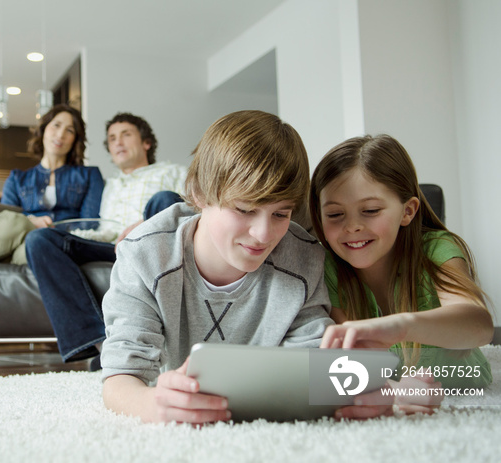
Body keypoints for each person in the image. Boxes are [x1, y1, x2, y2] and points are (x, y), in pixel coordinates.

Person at [101, 110, 333, 424]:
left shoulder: (304, 257)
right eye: (245, 209)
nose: (264, 235)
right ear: (198, 193)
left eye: (281, 214)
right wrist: (148, 402)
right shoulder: (145, 254)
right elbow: (120, 379)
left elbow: (316, 363)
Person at [309, 134, 494, 418]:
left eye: (370, 211)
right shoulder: (327, 267)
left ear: (407, 211)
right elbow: (347, 359)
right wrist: (394, 391)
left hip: (464, 389)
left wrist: (401, 326)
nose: (353, 227)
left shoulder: (437, 248)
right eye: (335, 214)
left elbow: (479, 326)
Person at [25, 112, 187, 363]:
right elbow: (102, 227)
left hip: (152, 241)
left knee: (164, 199)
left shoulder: (172, 171)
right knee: (40, 240)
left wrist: (146, 224)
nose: (118, 142)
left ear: (146, 143)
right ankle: (101, 345)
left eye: (126, 135)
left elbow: (194, 209)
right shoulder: (109, 185)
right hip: (114, 246)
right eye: (112, 139)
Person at [0, 104, 104, 264]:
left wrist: (51, 231)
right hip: (22, 237)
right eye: (56, 125)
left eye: (70, 130)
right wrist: (32, 221)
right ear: (43, 130)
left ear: (75, 139)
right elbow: (7, 221)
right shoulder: (17, 178)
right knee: (14, 222)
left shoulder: (90, 175)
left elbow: (89, 224)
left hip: (60, 241)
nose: (61, 134)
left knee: (35, 246)